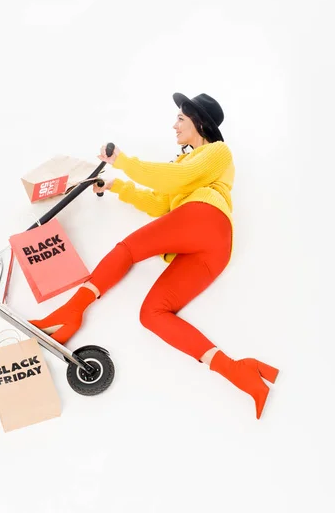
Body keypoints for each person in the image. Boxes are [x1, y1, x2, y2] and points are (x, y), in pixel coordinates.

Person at [29, 92, 279, 419]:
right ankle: (239, 373)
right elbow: (160, 204)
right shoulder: (187, 165)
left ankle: (70, 312)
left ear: (199, 122)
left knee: (128, 249)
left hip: (206, 219)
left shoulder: (217, 152)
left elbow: (170, 178)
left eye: (180, 119)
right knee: (153, 314)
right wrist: (115, 186)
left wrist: (122, 160)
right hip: (211, 250)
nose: (174, 125)